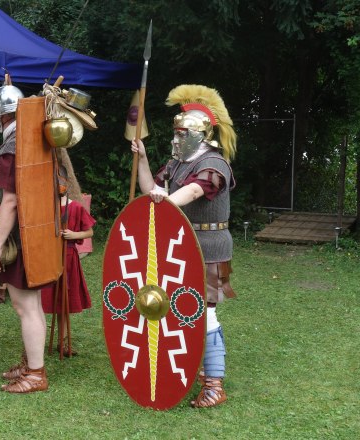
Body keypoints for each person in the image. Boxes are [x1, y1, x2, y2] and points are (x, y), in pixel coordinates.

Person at [130, 84, 237, 408]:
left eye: (182, 134)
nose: (176, 140)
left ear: (201, 135)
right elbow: (151, 190)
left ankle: (214, 383)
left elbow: (192, 192)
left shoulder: (215, 164)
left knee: (205, 313)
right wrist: (143, 159)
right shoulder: (177, 164)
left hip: (209, 246)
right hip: (181, 244)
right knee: (181, 309)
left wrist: (164, 203)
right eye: (175, 134)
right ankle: (196, 368)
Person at [0, 82, 49, 393]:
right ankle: (30, 362)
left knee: (25, 306)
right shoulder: (33, 139)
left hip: (20, 236)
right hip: (35, 232)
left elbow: (10, 201)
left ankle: (35, 374)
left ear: (0, 114)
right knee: (32, 304)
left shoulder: (13, 145)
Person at [41, 194, 96, 357]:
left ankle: (62, 342)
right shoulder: (45, 205)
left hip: (68, 258)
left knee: (64, 300)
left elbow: (89, 232)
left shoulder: (76, 207)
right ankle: (37, 341)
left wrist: (74, 235)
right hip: (49, 258)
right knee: (45, 300)